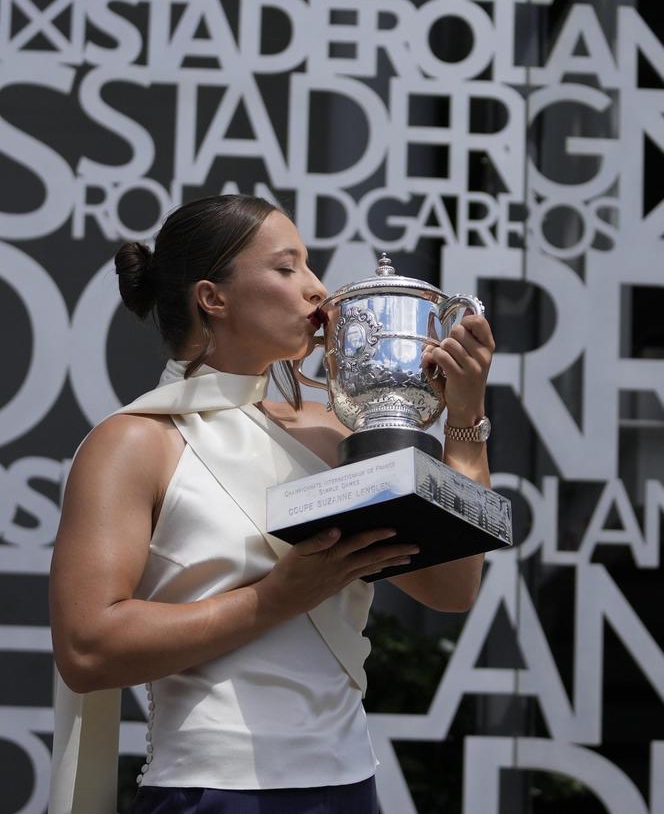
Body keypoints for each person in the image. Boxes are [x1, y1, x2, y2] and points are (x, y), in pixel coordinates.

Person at [49, 194, 495, 814]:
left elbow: (452, 587)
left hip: (347, 786)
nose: (318, 290)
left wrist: (465, 420)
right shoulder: (133, 443)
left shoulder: (337, 434)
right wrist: (275, 598)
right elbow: (88, 648)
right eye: (287, 269)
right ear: (214, 297)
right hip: (210, 792)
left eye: (310, 266)